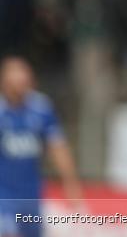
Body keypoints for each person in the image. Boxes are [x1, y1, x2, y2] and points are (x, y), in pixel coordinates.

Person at [0, 57, 82, 237]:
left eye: (24, 75)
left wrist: (71, 183)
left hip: (32, 196)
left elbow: (58, 147)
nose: (21, 80)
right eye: (15, 75)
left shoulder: (41, 108)